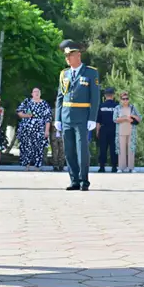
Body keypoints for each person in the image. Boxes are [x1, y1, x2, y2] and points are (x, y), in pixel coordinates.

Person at [54, 40, 100, 191]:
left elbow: (95, 97)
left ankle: (83, 180)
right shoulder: (64, 74)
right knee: (69, 150)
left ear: (78, 55)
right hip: (66, 117)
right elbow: (60, 97)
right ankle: (74, 180)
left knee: (82, 150)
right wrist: (58, 118)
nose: (67, 58)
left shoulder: (90, 72)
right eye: (66, 56)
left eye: (70, 55)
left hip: (82, 117)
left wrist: (92, 118)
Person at [16, 88, 52, 170]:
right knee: (26, 147)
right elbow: (19, 112)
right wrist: (26, 116)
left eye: (38, 92)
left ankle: (37, 166)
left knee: (39, 147)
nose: (37, 93)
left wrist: (46, 130)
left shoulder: (44, 104)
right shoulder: (27, 101)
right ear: (32, 93)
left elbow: (48, 118)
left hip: (39, 129)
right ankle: (27, 165)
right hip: (26, 128)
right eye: (35, 92)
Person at [113, 91, 142, 173]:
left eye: (127, 99)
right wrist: (125, 119)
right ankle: (121, 168)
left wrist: (133, 116)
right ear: (120, 100)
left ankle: (131, 167)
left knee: (131, 150)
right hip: (121, 132)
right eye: (123, 99)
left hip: (131, 132)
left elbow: (140, 118)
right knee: (121, 150)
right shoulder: (117, 108)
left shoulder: (132, 107)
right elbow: (115, 119)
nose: (125, 100)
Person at [96, 87, 118, 173]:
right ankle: (114, 167)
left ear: (105, 95)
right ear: (113, 95)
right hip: (114, 129)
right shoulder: (117, 106)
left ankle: (102, 167)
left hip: (103, 129)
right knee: (113, 149)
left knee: (103, 149)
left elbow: (98, 120)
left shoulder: (101, 106)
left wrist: (97, 131)